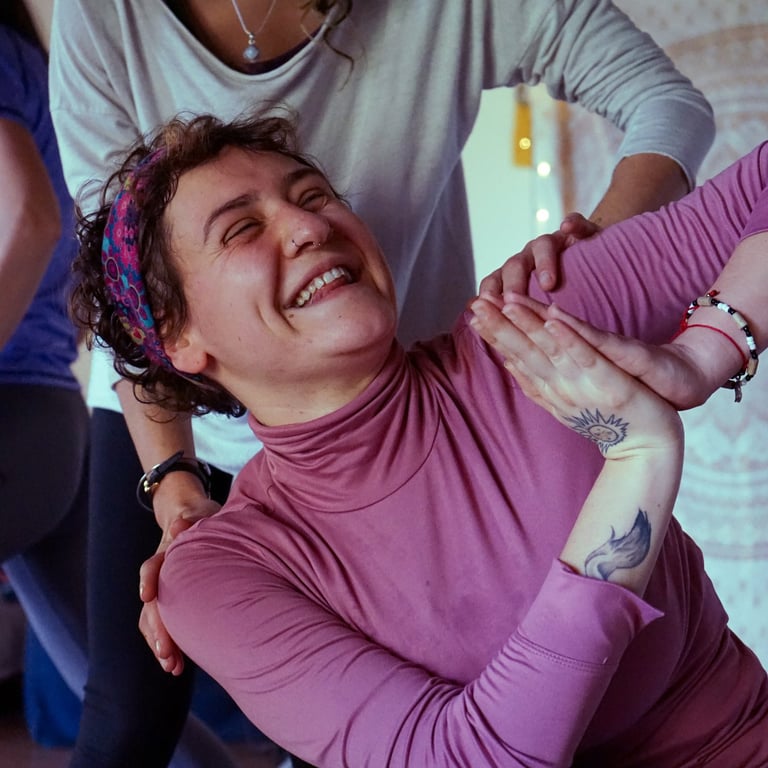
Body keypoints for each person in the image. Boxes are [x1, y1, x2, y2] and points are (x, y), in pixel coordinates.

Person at [49, 1, 716, 765]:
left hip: (409, 413)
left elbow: (670, 108)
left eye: (313, 195)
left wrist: (595, 266)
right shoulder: (103, 17)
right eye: (241, 227)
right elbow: (133, 293)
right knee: (129, 712)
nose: (306, 227)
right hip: (169, 418)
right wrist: (175, 487)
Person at [0, 0, 88, 718]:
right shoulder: (38, 67)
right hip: (52, 419)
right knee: (118, 707)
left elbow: (33, 219)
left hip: (14, 413)